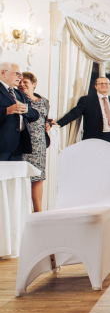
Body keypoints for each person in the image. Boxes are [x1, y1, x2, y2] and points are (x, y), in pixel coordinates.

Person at [53, 77, 110, 209]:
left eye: (106, 84)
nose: (104, 86)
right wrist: (57, 124)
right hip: (96, 138)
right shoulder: (87, 100)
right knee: (97, 169)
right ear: (95, 86)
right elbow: (75, 113)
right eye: (101, 83)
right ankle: (98, 199)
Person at [18, 72, 51, 212]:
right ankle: (24, 212)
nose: (22, 84)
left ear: (34, 84)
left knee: (38, 177)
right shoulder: (18, 98)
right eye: (20, 82)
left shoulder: (44, 101)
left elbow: (45, 119)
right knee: (24, 178)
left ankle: (38, 212)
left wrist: (48, 125)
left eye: (25, 82)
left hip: (40, 144)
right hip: (24, 142)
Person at [0, 61, 39, 161]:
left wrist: (25, 110)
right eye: (17, 73)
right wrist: (6, 111)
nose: (20, 77)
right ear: (3, 73)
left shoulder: (19, 94)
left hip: (18, 145)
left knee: (14, 176)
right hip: (2, 145)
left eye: (20, 74)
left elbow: (35, 115)